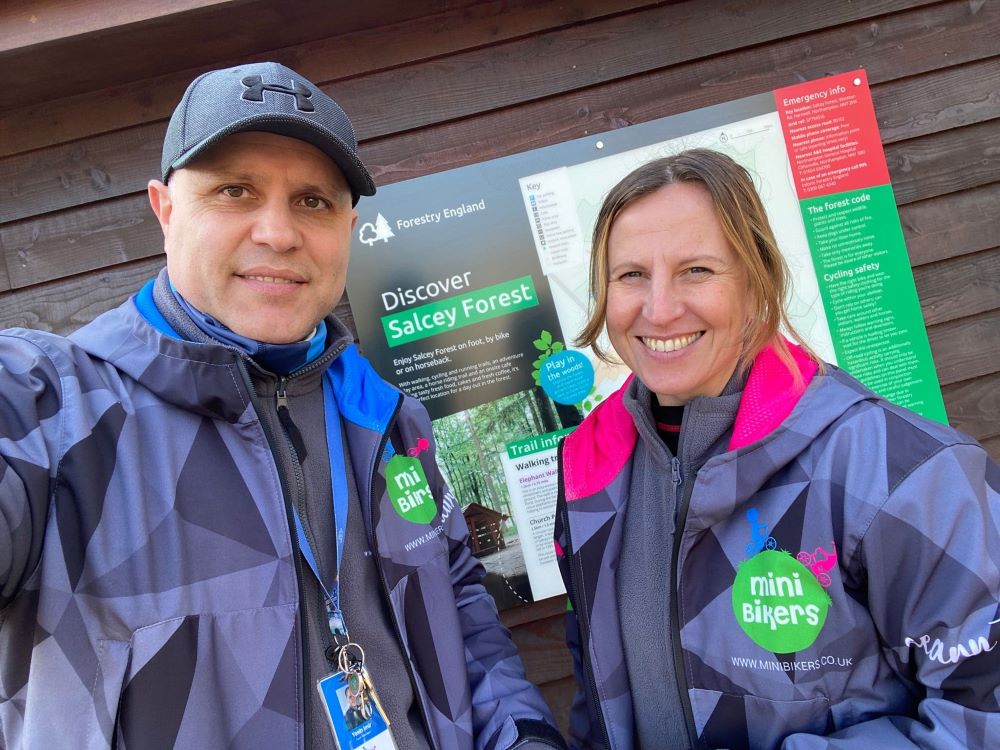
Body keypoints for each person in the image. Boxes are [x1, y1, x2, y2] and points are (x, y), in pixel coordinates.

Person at [0, 61, 566, 750]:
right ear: (166, 209)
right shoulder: (52, 408)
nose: (278, 233)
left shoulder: (388, 421)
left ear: (348, 226)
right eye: (235, 190)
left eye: (313, 201)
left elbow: (461, 613)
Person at [554, 148, 1000, 749]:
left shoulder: (899, 471)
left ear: (757, 278)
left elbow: (985, 714)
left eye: (696, 270)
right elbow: (598, 689)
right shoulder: (592, 468)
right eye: (631, 274)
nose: (658, 309)